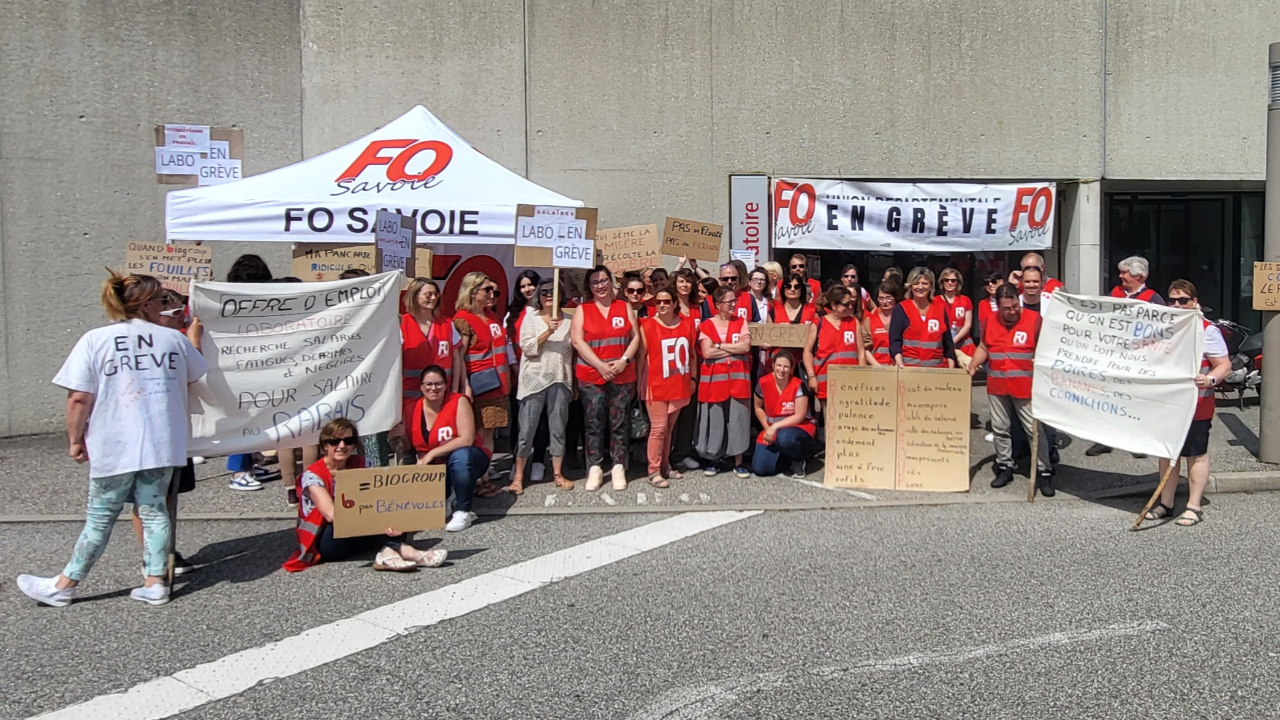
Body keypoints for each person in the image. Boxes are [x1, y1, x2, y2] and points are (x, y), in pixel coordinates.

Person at [17, 272, 207, 607]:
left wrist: (75, 439)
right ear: (146, 303)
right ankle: (154, 582)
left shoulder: (96, 339)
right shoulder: (172, 340)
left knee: (101, 516)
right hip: (162, 442)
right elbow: (195, 374)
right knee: (154, 510)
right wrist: (193, 339)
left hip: (114, 442)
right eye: (162, 300)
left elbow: (78, 397)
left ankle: (66, 584)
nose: (166, 305)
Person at [284, 418, 448, 571]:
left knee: (392, 516)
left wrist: (394, 518)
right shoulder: (313, 475)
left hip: (358, 532)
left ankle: (388, 552)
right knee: (366, 516)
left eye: (348, 441)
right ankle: (408, 551)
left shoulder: (362, 463)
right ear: (325, 446)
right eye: (334, 441)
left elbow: (381, 497)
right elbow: (332, 515)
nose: (342, 446)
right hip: (327, 540)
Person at [125, 289, 201, 575]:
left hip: (172, 432)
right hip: (144, 433)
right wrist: (192, 339)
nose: (180, 319)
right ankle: (152, 559)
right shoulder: (154, 342)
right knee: (145, 499)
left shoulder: (172, 341)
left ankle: (165, 550)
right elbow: (194, 374)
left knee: (167, 495)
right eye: (174, 314)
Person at [1144, 280, 1231, 526]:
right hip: (1168, 404)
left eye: (1183, 300)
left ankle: (1193, 506)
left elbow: (1223, 364)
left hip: (1197, 404)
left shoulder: (1207, 330)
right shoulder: (1162, 329)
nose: (1177, 305)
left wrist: (1210, 378)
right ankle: (1166, 503)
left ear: (1194, 302)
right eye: (1172, 300)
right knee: (1168, 455)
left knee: (1196, 455)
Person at [967, 284, 1053, 495]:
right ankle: (1005, 465)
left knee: (1034, 431)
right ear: (999, 307)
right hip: (997, 384)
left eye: (1015, 306)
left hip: (1025, 386)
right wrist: (973, 364)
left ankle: (1044, 471)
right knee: (1000, 427)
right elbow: (984, 347)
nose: (1013, 311)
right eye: (1008, 308)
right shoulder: (990, 321)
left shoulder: (1034, 320)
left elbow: (1046, 347)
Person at [1088, 255, 1166, 457]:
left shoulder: (1153, 298)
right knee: (1107, 398)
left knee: (1136, 401)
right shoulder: (1115, 293)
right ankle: (1104, 439)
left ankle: (1138, 443)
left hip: (1139, 358)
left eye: (1125, 273)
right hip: (1113, 356)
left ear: (1139, 276)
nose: (1120, 276)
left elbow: (1165, 327)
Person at [572, 265, 640, 492]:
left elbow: (635, 338)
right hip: (592, 375)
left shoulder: (624, 306)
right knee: (593, 422)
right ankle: (595, 466)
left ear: (611, 282)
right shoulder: (583, 309)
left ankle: (619, 465)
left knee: (620, 422)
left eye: (604, 281)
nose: (600, 286)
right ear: (589, 287)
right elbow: (578, 341)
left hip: (623, 374)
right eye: (595, 282)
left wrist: (624, 361)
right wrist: (600, 365)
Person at [406, 366, 494, 532]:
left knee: (460, 456)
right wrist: (396, 437)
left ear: (446, 385)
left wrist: (432, 453)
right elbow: (407, 447)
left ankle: (463, 510)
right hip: (435, 467)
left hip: (469, 458)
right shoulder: (412, 409)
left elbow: (466, 439)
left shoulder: (458, 401)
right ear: (421, 387)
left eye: (438, 383)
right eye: (428, 384)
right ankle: (446, 497)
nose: (433, 388)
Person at [511, 279, 575, 494]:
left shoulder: (570, 320)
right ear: (538, 295)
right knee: (526, 430)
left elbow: (572, 352)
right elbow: (528, 348)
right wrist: (548, 331)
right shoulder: (531, 319)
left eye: (553, 291)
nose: (548, 295)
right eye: (544, 291)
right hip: (534, 381)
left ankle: (557, 473)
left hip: (560, 379)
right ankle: (519, 475)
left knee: (558, 429)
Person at [453, 272, 509, 497]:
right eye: (487, 290)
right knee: (475, 433)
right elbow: (459, 357)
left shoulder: (492, 316)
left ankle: (485, 475)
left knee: (489, 434)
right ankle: (476, 479)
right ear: (472, 291)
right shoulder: (462, 320)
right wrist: (463, 386)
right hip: (477, 386)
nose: (492, 295)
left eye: (495, 291)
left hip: (498, 385)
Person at [225, 254, 275, 491]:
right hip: (244, 367)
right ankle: (239, 471)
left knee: (251, 416)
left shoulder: (227, 299)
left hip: (240, 365)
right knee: (244, 418)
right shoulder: (252, 300)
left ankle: (249, 464)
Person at [639, 288, 698, 487]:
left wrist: (693, 379)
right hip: (655, 384)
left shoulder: (687, 324)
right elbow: (641, 357)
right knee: (658, 428)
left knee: (669, 429)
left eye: (666, 301)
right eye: (658, 302)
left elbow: (692, 355)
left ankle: (665, 465)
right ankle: (653, 469)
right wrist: (639, 383)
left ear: (674, 304)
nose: (662, 305)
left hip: (678, 383)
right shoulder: (646, 325)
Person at [695, 286, 753, 477]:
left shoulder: (741, 321)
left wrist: (719, 345)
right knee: (716, 421)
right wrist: (732, 349)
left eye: (735, 301)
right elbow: (707, 352)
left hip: (738, 380)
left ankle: (738, 461)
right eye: (729, 302)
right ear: (718, 305)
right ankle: (714, 460)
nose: (733, 305)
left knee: (738, 420)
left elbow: (745, 347)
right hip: (714, 382)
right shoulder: (706, 325)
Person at [752, 350, 818, 478]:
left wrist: (775, 427)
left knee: (784, 438)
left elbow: (800, 416)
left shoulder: (798, 385)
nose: (782, 370)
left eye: (786, 366)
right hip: (772, 428)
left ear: (792, 369)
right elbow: (758, 407)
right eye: (779, 365)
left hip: (799, 429)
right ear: (773, 365)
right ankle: (786, 460)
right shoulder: (763, 383)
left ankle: (799, 459)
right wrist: (767, 428)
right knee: (760, 469)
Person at [803, 286, 863, 410]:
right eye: (846, 304)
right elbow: (807, 351)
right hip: (825, 382)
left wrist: (862, 375)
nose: (850, 307)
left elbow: (861, 351)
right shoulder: (818, 323)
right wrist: (811, 377)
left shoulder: (853, 322)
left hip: (850, 382)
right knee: (829, 421)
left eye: (851, 303)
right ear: (834, 305)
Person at [890, 267, 956, 368]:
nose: (920, 287)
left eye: (925, 283)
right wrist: (898, 360)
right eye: (916, 283)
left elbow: (948, 343)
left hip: (936, 370)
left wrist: (951, 369)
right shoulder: (901, 309)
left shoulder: (940, 308)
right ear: (910, 286)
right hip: (909, 368)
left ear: (930, 286)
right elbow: (895, 340)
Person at [937, 268, 974, 367]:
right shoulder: (935, 301)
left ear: (958, 282)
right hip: (943, 346)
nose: (950, 283)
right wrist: (947, 343)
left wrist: (953, 341)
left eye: (953, 280)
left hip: (964, 345)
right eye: (946, 280)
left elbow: (967, 325)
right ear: (942, 282)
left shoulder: (965, 300)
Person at [865, 281, 901, 366]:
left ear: (895, 298)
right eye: (881, 298)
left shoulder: (903, 318)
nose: (884, 302)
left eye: (888, 298)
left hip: (898, 366)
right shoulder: (869, 320)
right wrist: (877, 366)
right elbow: (865, 348)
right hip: (876, 368)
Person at [976, 271, 1004, 341]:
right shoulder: (983, 303)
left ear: (1001, 282)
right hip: (990, 340)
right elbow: (983, 326)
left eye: (994, 281)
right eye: (986, 283)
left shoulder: (1010, 300)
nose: (990, 285)